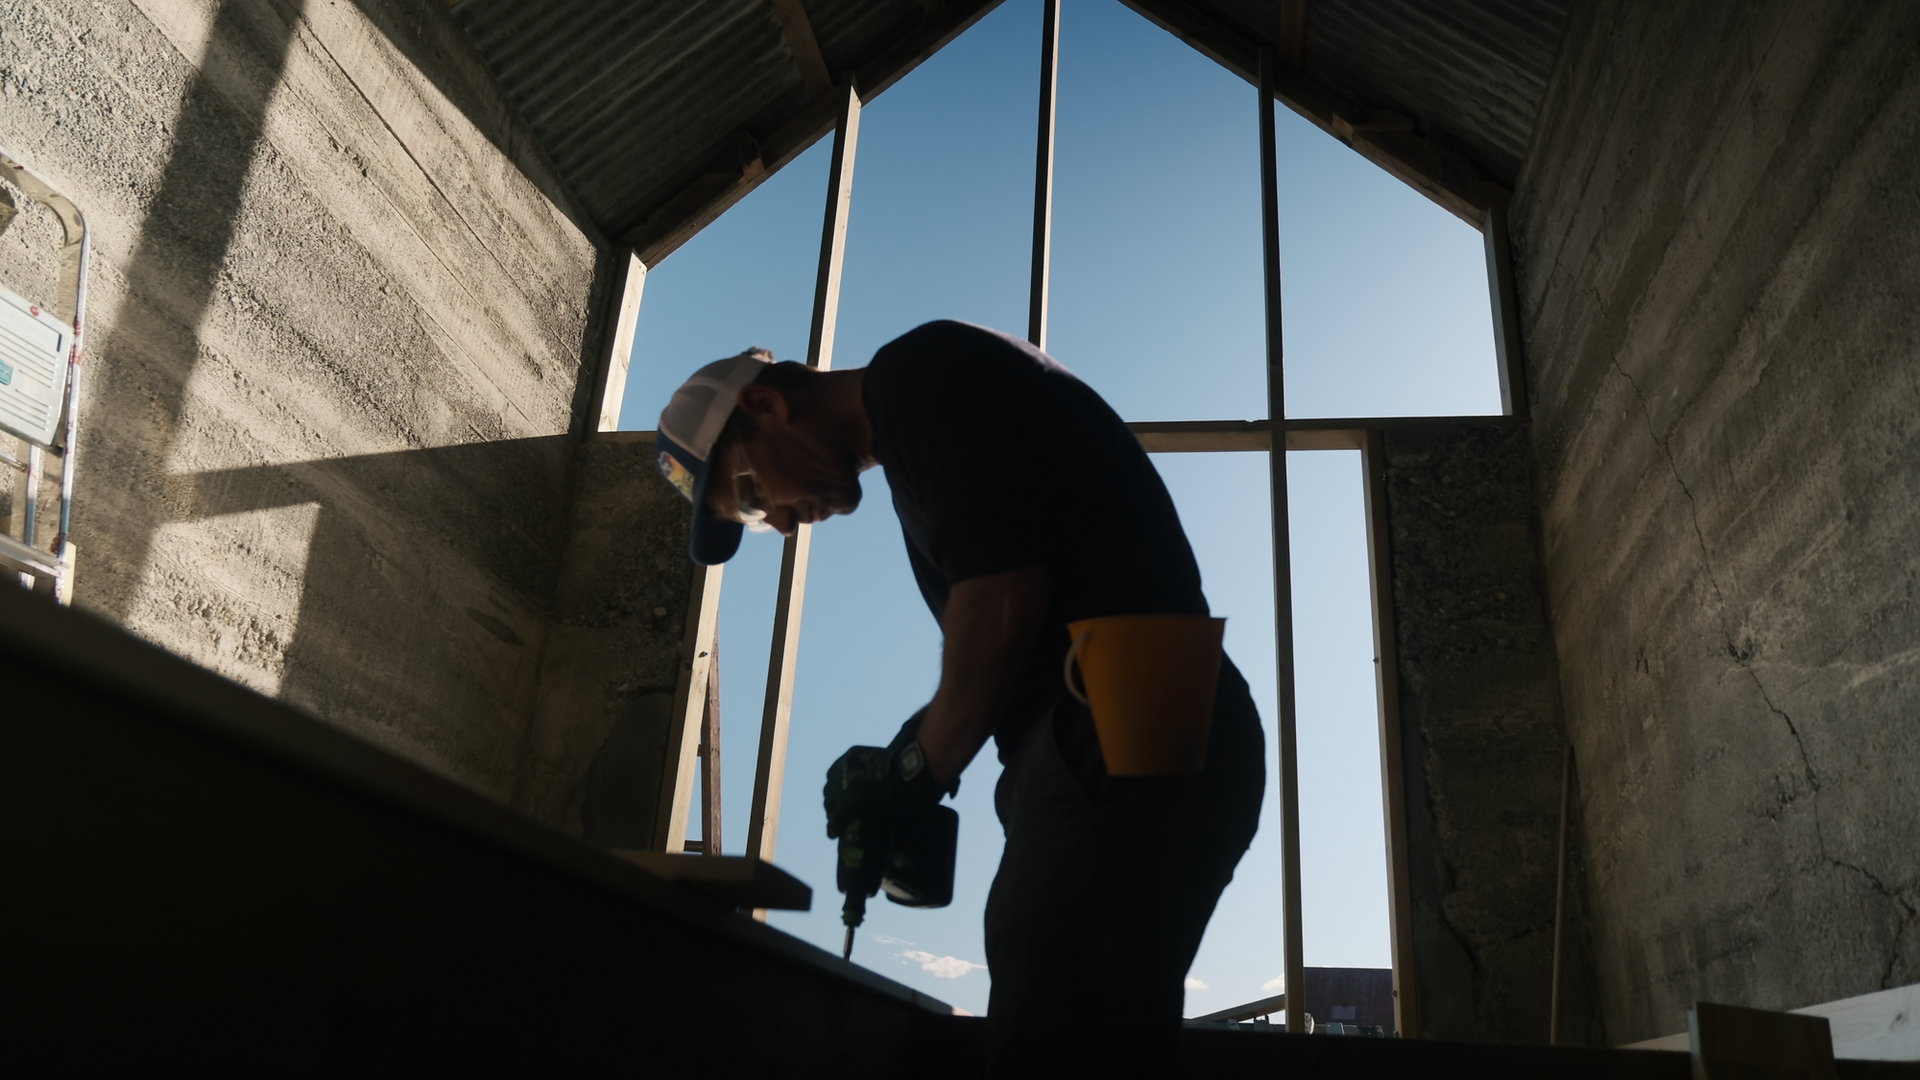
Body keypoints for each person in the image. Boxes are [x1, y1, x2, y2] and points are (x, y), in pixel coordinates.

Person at [655, 320, 1265, 1074]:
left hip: (1119, 709)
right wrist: (915, 751)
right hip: (1145, 703)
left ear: (764, 406)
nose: (778, 524)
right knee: (1099, 1022)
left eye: (749, 495)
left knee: (1056, 1035)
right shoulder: (928, 411)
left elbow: (1004, 603)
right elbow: (1010, 616)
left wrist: (915, 770)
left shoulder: (919, 374)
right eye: (754, 518)